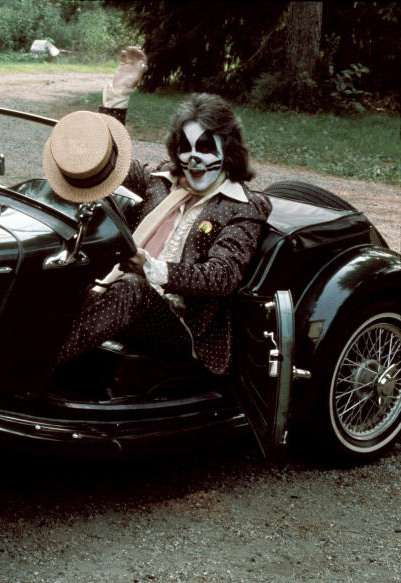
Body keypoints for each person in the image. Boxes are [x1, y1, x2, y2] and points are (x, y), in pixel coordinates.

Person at [46, 46, 271, 376]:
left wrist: (152, 268)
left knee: (134, 287)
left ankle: (35, 368)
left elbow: (222, 276)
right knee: (57, 266)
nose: (194, 157)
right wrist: (118, 94)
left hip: (182, 325)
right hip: (118, 291)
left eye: (206, 147)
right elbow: (108, 164)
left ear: (229, 150)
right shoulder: (164, 179)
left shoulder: (242, 206)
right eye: (186, 147)